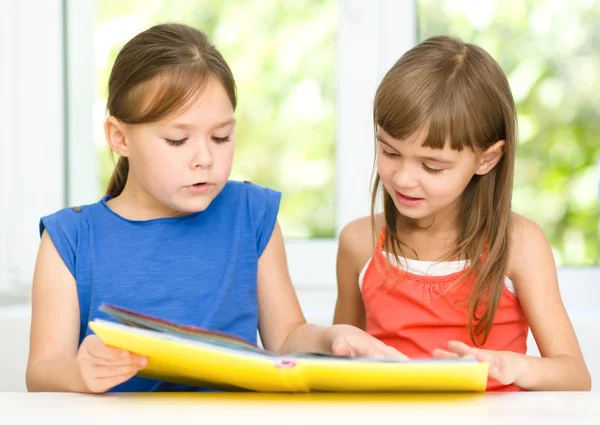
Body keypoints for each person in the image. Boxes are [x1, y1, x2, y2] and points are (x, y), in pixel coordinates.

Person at [26, 23, 402, 394]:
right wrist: (78, 374)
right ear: (119, 137)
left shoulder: (252, 216)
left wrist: (331, 336)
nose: (205, 158)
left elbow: (285, 338)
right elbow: (42, 370)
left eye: (221, 136)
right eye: (177, 140)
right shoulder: (70, 240)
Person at [333, 35, 591, 391]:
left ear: (487, 159)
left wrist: (512, 366)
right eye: (390, 152)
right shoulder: (358, 243)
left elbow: (574, 375)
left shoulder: (519, 244)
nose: (404, 178)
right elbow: (336, 365)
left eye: (432, 166)